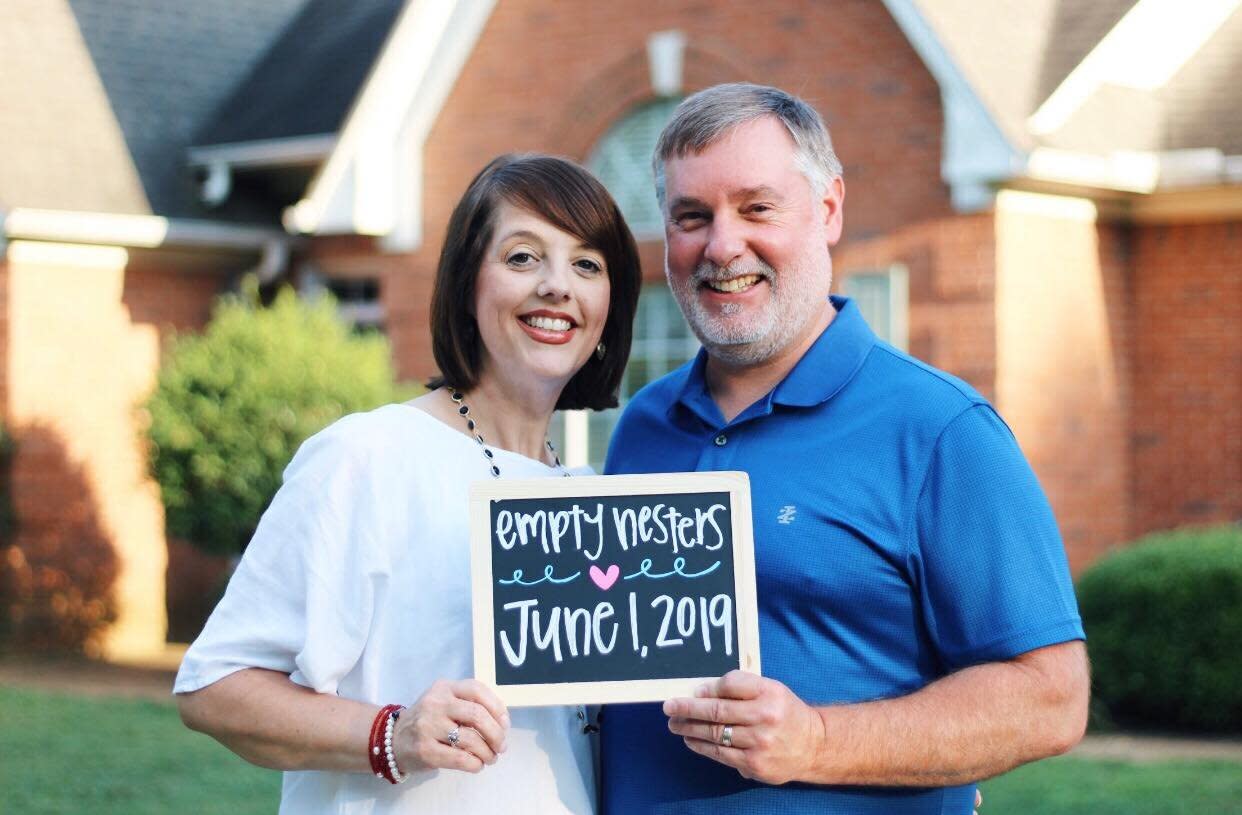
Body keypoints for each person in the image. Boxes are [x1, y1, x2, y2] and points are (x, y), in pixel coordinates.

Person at [600, 83, 1089, 814]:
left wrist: (818, 738)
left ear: (828, 209)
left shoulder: (941, 429)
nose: (722, 244)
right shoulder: (643, 425)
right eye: (691, 216)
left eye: (756, 207)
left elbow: (1050, 698)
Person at [175, 154, 641, 814]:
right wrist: (393, 734)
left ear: (607, 307)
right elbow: (214, 686)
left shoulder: (593, 496)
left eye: (587, 265)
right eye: (522, 257)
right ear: (467, 284)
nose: (558, 286)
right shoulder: (368, 457)